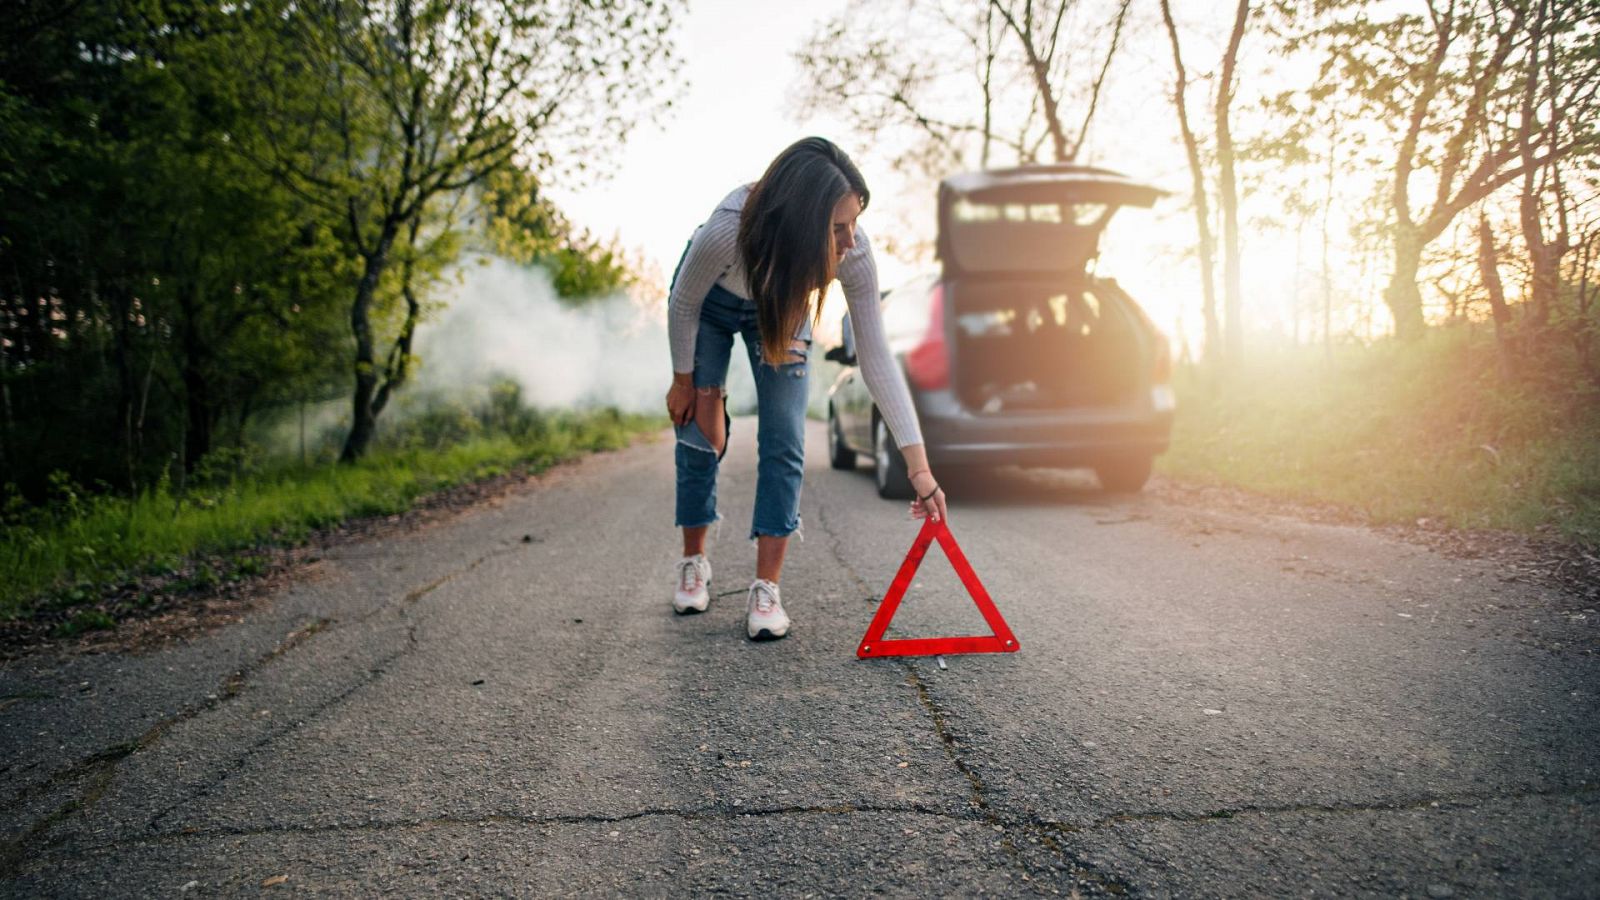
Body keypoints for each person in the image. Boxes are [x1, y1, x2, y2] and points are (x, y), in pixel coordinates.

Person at [665, 137, 948, 641]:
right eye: (838, 228)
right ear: (799, 221)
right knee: (699, 437)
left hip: (781, 303)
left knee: (784, 437)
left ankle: (765, 588)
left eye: (855, 221)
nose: (851, 240)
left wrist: (919, 467)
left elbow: (876, 357)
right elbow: (683, 304)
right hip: (708, 306)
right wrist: (683, 382)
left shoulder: (853, 256)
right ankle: (694, 560)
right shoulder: (727, 231)